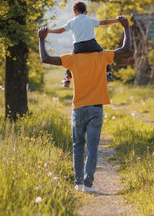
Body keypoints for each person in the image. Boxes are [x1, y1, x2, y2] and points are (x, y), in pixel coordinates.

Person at [38, 16, 132, 194]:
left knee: (78, 146)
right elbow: (126, 49)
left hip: (78, 109)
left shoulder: (72, 59)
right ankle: (88, 185)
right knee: (93, 147)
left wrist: (41, 38)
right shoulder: (102, 56)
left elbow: (45, 58)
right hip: (96, 108)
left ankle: (78, 183)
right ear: (93, 41)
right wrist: (126, 27)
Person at [46, 1, 120, 87]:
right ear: (86, 12)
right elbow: (104, 22)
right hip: (92, 44)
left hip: (79, 47)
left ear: (75, 12)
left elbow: (60, 30)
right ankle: (107, 74)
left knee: (71, 60)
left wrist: (48, 31)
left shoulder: (72, 21)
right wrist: (116, 20)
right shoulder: (89, 19)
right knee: (103, 55)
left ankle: (67, 79)